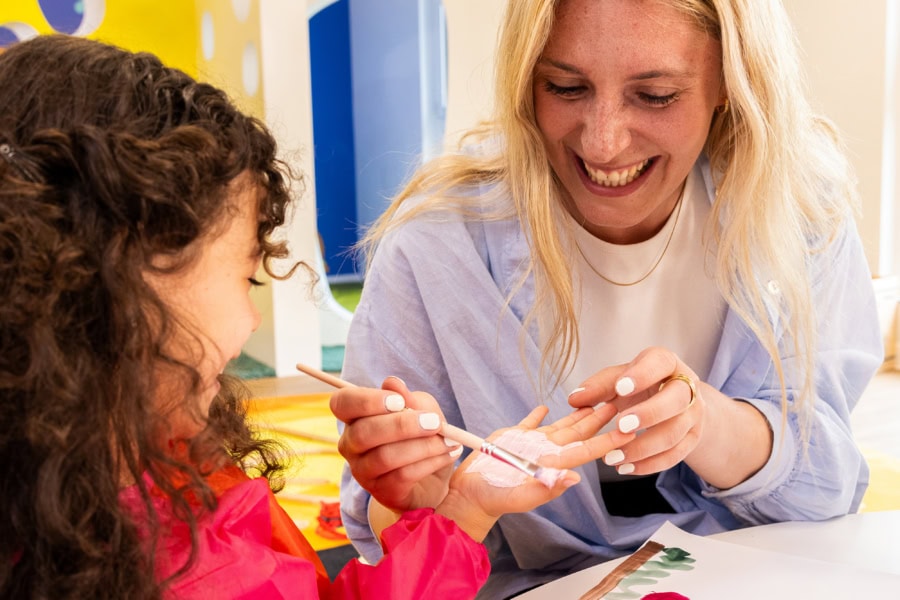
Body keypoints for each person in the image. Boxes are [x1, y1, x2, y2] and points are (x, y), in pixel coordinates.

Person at [0, 35, 635, 599]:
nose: (251, 321)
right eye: (245, 274)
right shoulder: (184, 569)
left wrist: (463, 510)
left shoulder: (144, 468)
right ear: (117, 282)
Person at [338, 0, 885, 597]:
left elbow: (828, 486)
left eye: (655, 96)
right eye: (565, 87)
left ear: (731, 79)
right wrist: (420, 508)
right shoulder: (440, 245)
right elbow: (390, 548)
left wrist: (703, 424)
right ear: (525, 79)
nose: (602, 144)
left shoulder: (800, 214)